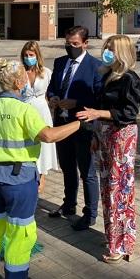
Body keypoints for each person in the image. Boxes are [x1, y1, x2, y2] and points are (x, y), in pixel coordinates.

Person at [0, 58, 84, 279]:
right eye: (24, 77)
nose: (26, 81)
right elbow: (48, 135)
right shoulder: (25, 110)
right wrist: (78, 124)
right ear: (17, 82)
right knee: (19, 233)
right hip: (19, 180)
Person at [76, 35, 140, 263]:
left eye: (111, 48)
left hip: (121, 137)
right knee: (108, 189)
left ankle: (121, 245)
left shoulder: (130, 79)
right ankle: (114, 236)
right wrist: (96, 133)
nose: (106, 51)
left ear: (122, 52)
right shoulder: (107, 76)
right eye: (106, 47)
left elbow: (129, 113)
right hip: (105, 136)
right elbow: (102, 107)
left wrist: (97, 114)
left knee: (120, 189)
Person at [46, 26, 104, 231]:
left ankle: (90, 214)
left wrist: (77, 102)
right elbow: (52, 86)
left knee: (86, 172)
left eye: (75, 44)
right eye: (67, 43)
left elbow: (99, 98)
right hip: (62, 124)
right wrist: (52, 97)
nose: (70, 47)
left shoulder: (96, 66)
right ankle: (69, 205)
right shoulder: (60, 62)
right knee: (67, 168)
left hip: (83, 126)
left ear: (85, 44)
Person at [21, 41, 58, 193]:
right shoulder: (19, 72)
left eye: (31, 55)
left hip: (42, 111)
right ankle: (28, 171)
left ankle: (42, 174)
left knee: (43, 142)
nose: (28, 58)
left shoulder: (46, 72)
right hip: (24, 111)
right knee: (26, 142)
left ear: (37, 55)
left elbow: (52, 92)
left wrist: (54, 101)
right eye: (25, 55)